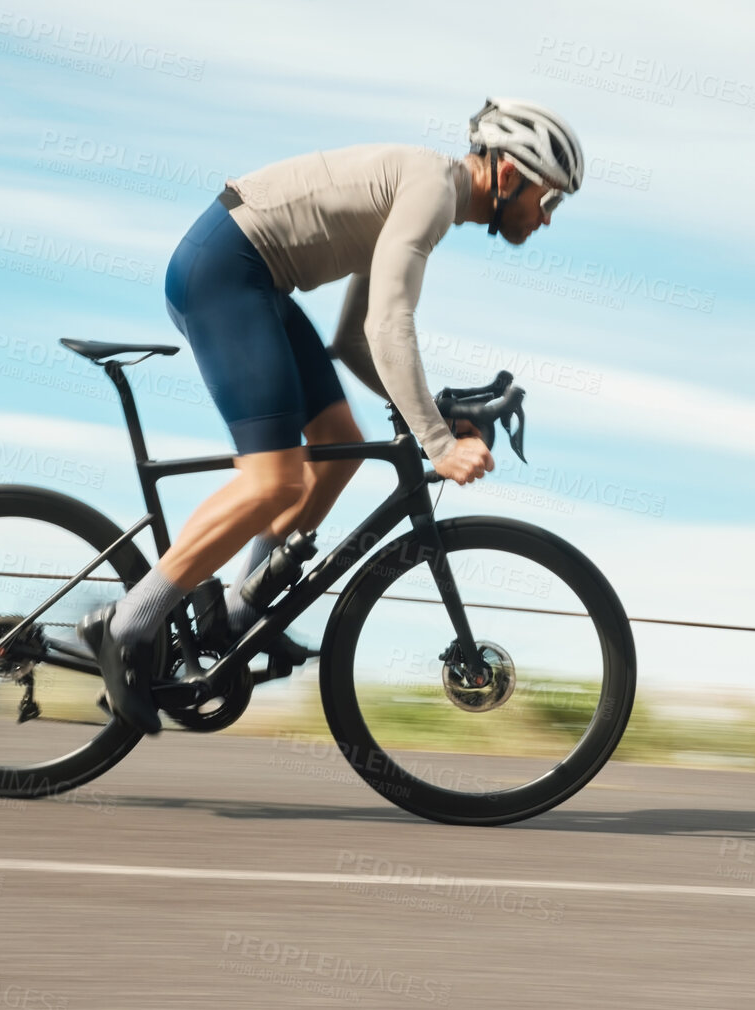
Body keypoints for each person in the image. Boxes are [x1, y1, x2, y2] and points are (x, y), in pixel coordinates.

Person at [78, 97, 586, 734]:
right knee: (273, 481)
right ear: (509, 175)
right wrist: (437, 441)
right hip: (226, 272)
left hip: (253, 279)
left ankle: (238, 616)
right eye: (550, 198)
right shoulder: (431, 191)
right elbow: (387, 325)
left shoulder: (426, 193)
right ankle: (126, 625)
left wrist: (435, 412)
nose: (546, 218)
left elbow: (352, 340)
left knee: (337, 447)